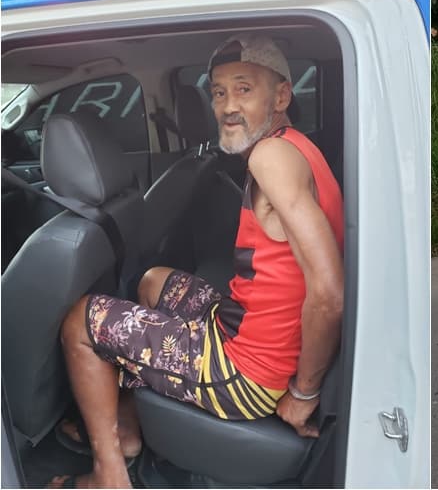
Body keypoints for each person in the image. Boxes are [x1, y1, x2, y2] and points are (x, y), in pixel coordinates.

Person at [50, 34, 344, 488]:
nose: (228, 106)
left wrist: (303, 393)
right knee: (152, 281)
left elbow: (328, 293)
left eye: (244, 89)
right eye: (219, 92)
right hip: (245, 326)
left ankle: (109, 476)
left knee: (80, 322)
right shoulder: (296, 146)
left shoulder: (270, 157)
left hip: (247, 372)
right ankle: (126, 426)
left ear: (281, 95)